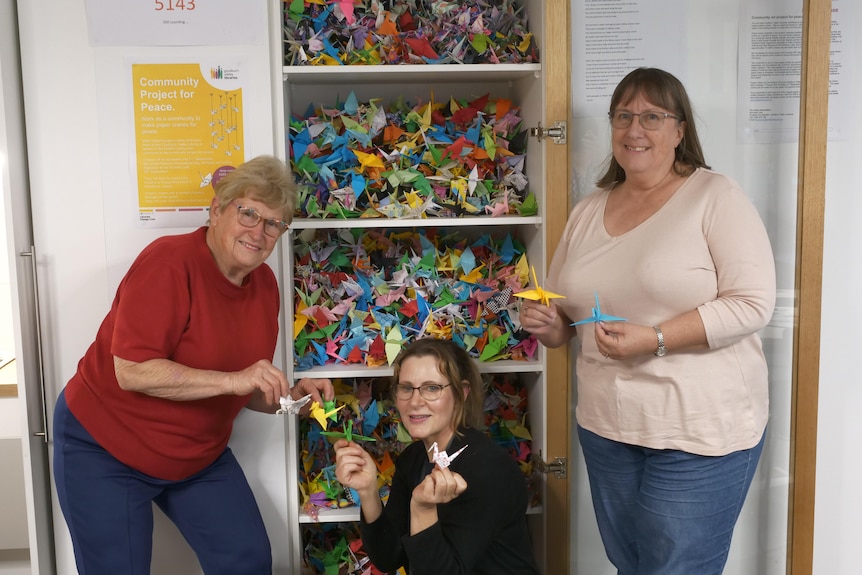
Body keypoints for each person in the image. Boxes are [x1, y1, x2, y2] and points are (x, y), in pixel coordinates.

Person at [519, 67, 776, 575]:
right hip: (608, 428)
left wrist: (655, 339)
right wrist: (552, 330)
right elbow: (569, 320)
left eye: (653, 116)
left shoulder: (714, 196)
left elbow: (751, 303)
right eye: (624, 116)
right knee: (631, 563)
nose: (635, 129)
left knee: (675, 568)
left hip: (698, 431)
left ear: (680, 131)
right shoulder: (587, 210)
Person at [53, 155, 334, 574]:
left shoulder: (264, 286)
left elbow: (245, 390)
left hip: (196, 456)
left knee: (247, 560)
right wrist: (238, 378)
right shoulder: (168, 263)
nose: (258, 232)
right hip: (105, 448)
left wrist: (289, 399)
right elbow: (130, 371)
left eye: (273, 223)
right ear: (217, 210)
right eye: (249, 213)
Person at [333, 337, 541, 575]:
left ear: (461, 393)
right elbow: (389, 558)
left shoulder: (490, 469)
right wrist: (368, 491)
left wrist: (423, 511)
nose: (415, 401)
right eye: (406, 388)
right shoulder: (413, 458)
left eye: (432, 388)